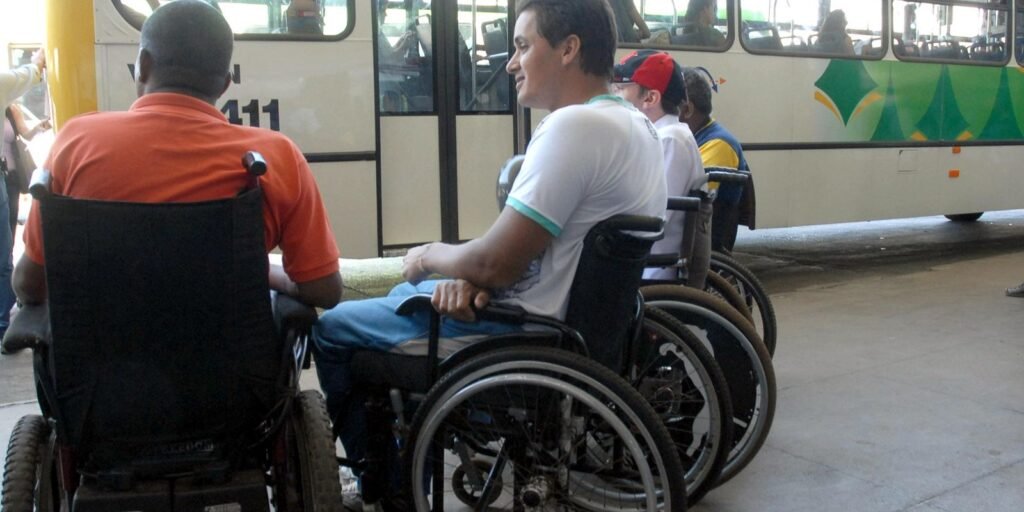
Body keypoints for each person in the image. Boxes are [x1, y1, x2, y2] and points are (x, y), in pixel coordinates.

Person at [312, 0, 666, 508]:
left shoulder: (573, 128)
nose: (511, 63)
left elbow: (494, 263)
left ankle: (386, 491)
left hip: (525, 338)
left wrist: (430, 255)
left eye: (522, 46)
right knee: (401, 297)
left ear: (568, 49)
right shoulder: (637, 127)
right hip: (576, 333)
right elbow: (529, 253)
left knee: (334, 330)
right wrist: (474, 279)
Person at [13, 0, 342, 313]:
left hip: (96, 355)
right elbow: (323, 290)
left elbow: (29, 285)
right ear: (225, 84)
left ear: (143, 66)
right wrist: (263, 272)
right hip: (231, 355)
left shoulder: (75, 142)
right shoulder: (276, 156)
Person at [612, 50, 703, 280]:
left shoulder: (670, 140)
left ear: (650, 98)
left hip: (650, 269)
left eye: (620, 88)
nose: (614, 95)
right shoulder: (664, 135)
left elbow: (653, 217)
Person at [0, 49, 46, 339]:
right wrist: (38, 61)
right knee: (3, 257)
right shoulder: (3, 83)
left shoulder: (9, 101)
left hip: (8, 177)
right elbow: (29, 73)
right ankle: (3, 325)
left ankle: (3, 322)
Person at [680, 66, 749, 253]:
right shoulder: (696, 137)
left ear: (687, 109)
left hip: (700, 245)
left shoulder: (719, 143)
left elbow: (686, 194)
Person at [3, 105, 51, 232]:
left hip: (10, 175)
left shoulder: (11, 109)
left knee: (10, 219)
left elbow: (25, 134)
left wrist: (38, 128)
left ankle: (9, 245)